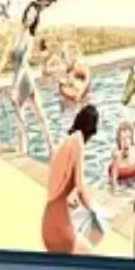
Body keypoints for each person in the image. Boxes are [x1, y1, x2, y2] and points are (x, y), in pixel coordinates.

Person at [40, 102, 100, 255]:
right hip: (60, 226)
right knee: (90, 254)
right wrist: (95, 210)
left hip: (49, 222)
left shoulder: (67, 142)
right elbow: (81, 186)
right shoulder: (77, 140)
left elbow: (61, 188)